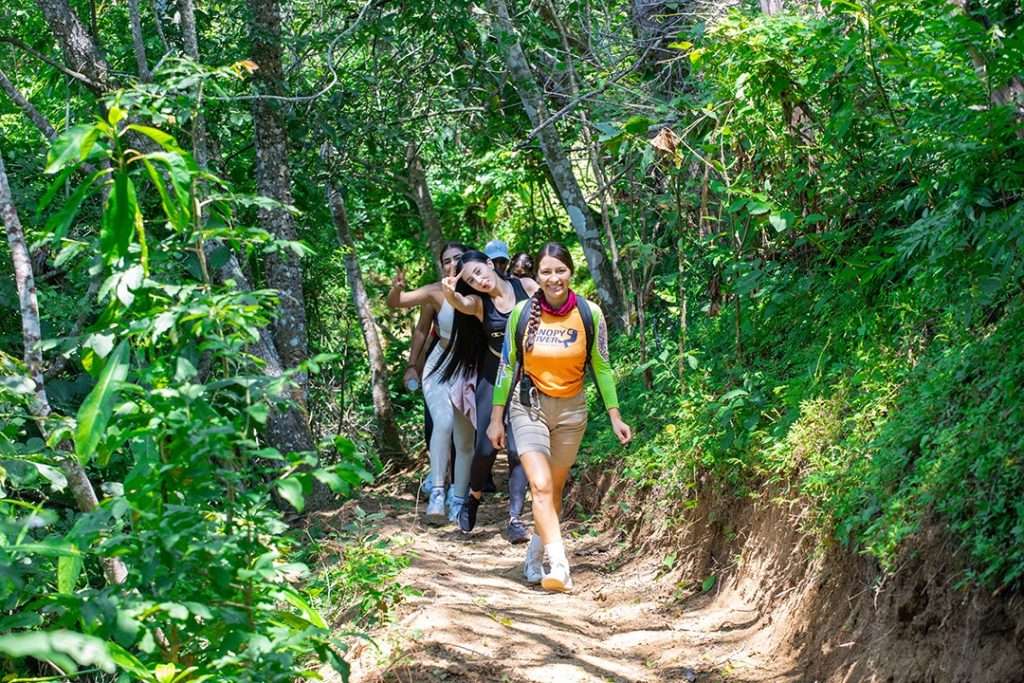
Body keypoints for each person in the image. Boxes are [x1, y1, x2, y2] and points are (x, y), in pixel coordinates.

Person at [488, 243, 632, 592]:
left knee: (553, 490)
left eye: (560, 270)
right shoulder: (522, 314)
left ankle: (534, 558)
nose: (554, 278)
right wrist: (495, 419)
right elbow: (508, 367)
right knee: (539, 486)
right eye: (546, 272)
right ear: (536, 277)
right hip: (529, 406)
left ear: (570, 272)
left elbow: (601, 365)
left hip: (572, 410)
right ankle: (561, 566)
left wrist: (615, 416)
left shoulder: (589, 313)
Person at [437, 250, 538, 543]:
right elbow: (462, 303)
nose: (479, 280)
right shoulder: (479, 304)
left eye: (480, 272)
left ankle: (515, 518)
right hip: (492, 375)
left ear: (491, 265)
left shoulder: (526, 288)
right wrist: (451, 293)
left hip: (527, 376)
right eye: (471, 279)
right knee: (485, 447)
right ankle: (474, 495)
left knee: (519, 450)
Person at [387, 242, 476, 524]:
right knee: (443, 422)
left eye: (459, 258)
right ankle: (437, 492)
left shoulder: (482, 290)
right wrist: (397, 287)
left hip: (469, 366)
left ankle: (458, 498)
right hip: (440, 363)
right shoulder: (435, 292)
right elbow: (396, 303)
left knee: (464, 438)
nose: (453, 264)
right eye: (446, 260)